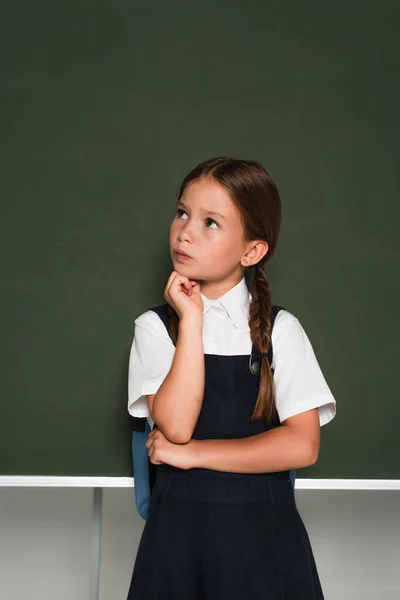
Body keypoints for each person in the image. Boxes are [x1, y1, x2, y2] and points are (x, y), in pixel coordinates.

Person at [126, 157, 336, 599]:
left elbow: (302, 444)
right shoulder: (156, 327)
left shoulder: (281, 330)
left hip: (266, 548)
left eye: (211, 223)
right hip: (177, 548)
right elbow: (176, 425)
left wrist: (194, 455)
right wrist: (192, 322)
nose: (185, 231)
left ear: (252, 251)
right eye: (182, 212)